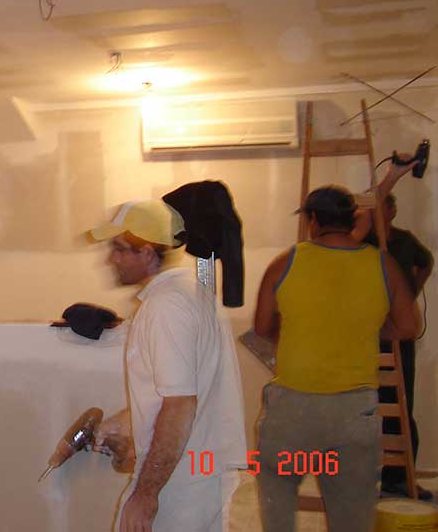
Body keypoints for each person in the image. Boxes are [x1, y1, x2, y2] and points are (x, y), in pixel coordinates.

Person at [253, 184, 420, 532]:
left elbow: (262, 327)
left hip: (291, 411)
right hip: (353, 413)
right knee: (352, 519)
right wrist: (370, 326)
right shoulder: (383, 264)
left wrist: (299, 329)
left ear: (313, 220)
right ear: (351, 220)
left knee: (278, 512)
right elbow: (409, 327)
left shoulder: (285, 263)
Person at [88, 199, 247, 532]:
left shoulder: (166, 307)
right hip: (198, 470)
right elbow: (184, 389)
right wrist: (127, 420)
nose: (111, 259)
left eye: (119, 249)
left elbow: (180, 405)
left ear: (147, 253)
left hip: (180, 483)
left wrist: (146, 495)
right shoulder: (189, 292)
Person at [356, 156, 434, 499]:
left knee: (401, 404)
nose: (378, 212)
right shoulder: (363, 241)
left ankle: (399, 478)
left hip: (397, 336)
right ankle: (362, 476)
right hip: (366, 333)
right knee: (364, 404)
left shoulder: (403, 241)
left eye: (384, 207)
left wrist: (410, 295)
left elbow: (426, 262)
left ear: (392, 211)